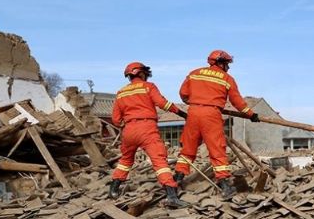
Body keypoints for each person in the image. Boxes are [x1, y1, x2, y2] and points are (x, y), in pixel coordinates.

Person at [174, 50, 259, 199]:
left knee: (188, 149)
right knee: (217, 149)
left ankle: (177, 180)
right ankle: (225, 186)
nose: (228, 67)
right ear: (221, 63)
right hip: (211, 115)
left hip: (193, 113)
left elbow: (183, 93)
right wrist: (251, 115)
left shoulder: (195, 73)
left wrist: (196, 102)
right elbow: (237, 101)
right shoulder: (227, 78)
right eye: (227, 64)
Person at [110, 62, 189, 208]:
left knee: (126, 160)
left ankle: (113, 190)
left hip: (129, 130)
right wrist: (181, 113)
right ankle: (171, 196)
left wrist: (126, 125)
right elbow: (162, 103)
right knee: (160, 161)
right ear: (141, 73)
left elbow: (115, 119)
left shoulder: (121, 92)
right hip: (146, 128)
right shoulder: (148, 86)